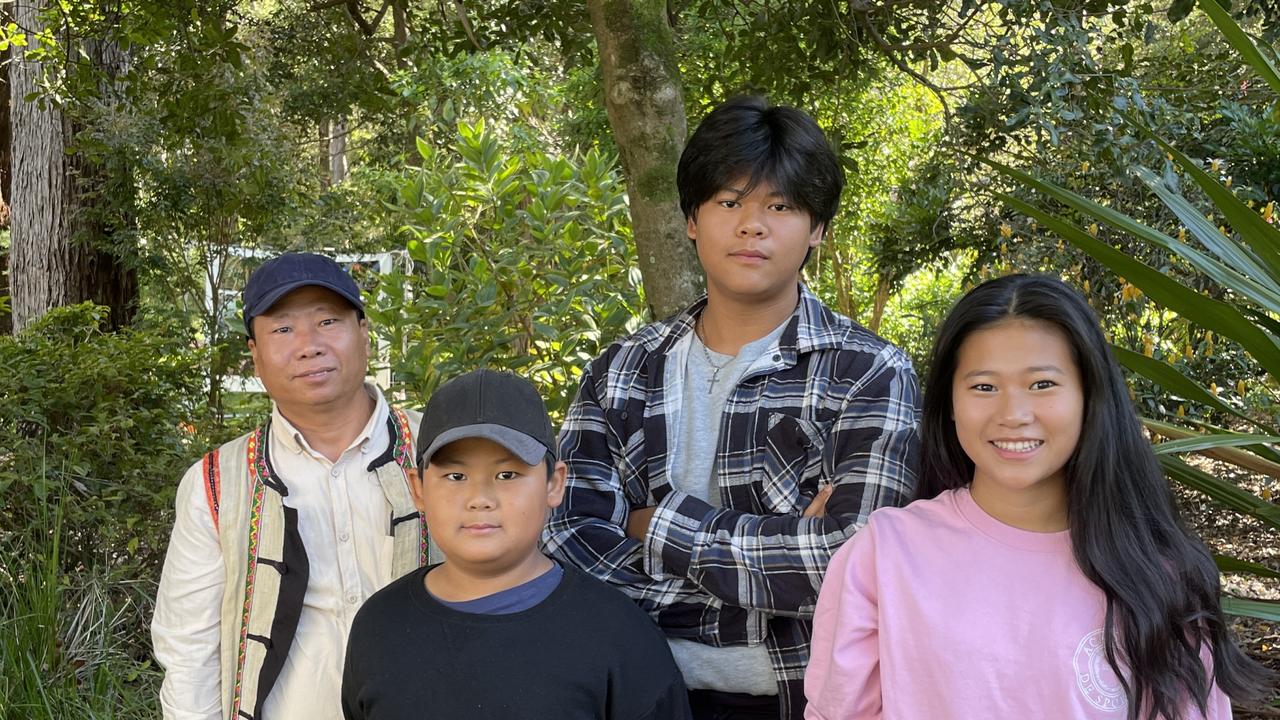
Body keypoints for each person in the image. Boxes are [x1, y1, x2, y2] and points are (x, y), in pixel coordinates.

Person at [544, 96, 920, 720]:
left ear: (817, 228)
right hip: (637, 695)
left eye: (780, 206)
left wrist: (652, 523)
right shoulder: (621, 372)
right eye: (729, 202)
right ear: (692, 218)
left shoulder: (869, 372)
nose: (752, 225)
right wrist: (773, 565)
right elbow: (569, 541)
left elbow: (849, 567)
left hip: (797, 701)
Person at [805, 274, 1273, 720]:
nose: (1014, 414)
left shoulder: (1160, 571)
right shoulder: (885, 556)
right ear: (949, 403)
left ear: (1090, 396)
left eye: (1042, 384)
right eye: (984, 387)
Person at [152, 253, 432, 720]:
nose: (309, 345)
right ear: (255, 354)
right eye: (283, 330)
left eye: (327, 321)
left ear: (364, 333)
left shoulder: (442, 451)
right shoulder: (219, 483)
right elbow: (189, 649)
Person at [340, 369, 691, 720]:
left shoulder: (620, 635)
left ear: (555, 484)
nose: (480, 498)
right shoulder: (379, 626)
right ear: (418, 488)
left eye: (507, 475)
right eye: (455, 476)